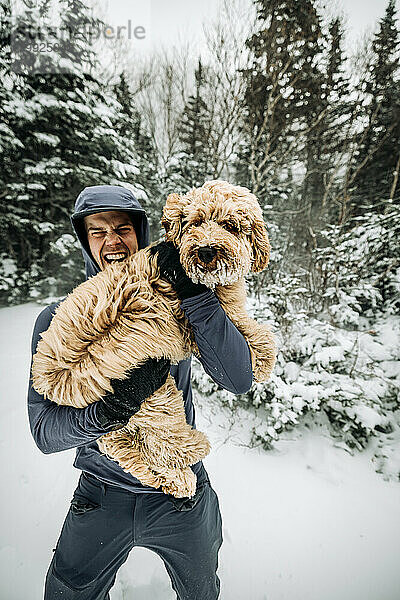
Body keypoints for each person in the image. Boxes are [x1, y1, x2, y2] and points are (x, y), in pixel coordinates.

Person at [28, 185, 254, 600]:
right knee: (67, 593)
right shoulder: (59, 320)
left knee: (202, 589)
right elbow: (45, 433)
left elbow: (238, 378)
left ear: (143, 233)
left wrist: (191, 294)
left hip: (181, 491)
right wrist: (110, 410)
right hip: (101, 492)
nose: (113, 241)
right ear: (85, 241)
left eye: (124, 228)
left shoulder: (181, 299)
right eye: (98, 231)